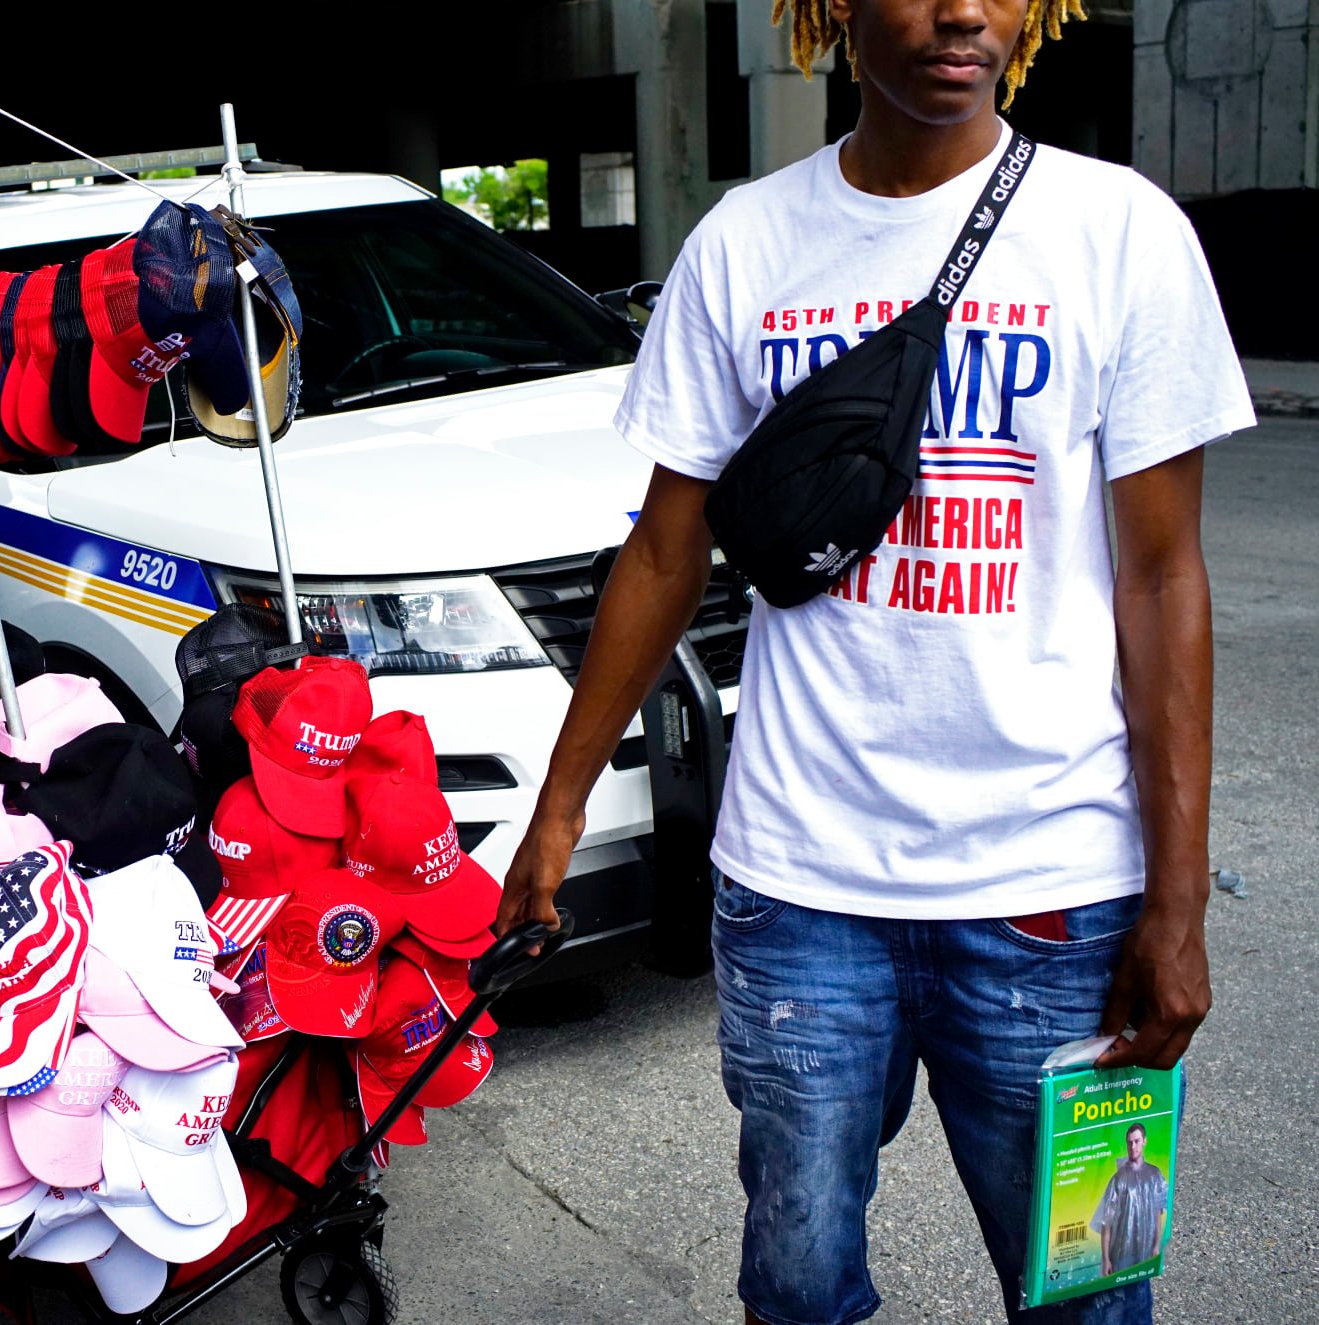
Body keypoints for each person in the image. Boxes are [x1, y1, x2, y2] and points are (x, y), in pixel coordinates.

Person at [494, 0, 1255, 1322]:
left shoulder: (1121, 233)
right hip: (802, 892)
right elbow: (665, 552)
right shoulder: (746, 245)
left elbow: (1160, 580)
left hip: (1054, 891)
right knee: (796, 1291)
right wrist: (557, 814)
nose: (963, 11)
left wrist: (1176, 904)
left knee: (1085, 1299)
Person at [1093, 1123, 1169, 1276]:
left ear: (1144, 1141)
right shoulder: (1118, 1179)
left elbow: (1157, 1213)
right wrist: (1106, 1259)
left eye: (1137, 1141)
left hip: (1145, 1249)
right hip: (1121, 1253)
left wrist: (1156, 1245)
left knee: (1141, 1281)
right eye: (1129, 1142)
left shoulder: (1154, 1175)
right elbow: (1106, 1223)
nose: (1133, 1146)